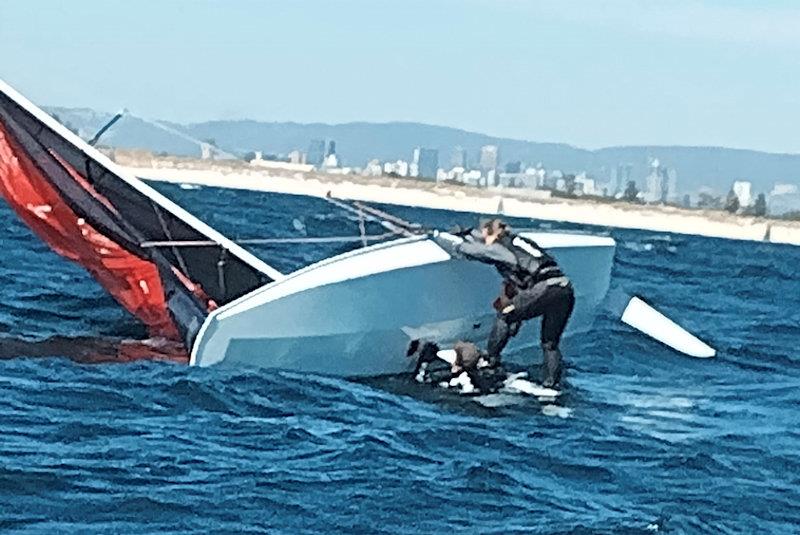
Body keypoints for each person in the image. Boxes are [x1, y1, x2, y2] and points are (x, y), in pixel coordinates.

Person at [434, 219, 574, 387]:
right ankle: (552, 384)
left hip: (545, 288)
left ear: (491, 233)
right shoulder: (520, 241)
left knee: (505, 314)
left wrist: (448, 243)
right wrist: (464, 232)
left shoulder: (502, 246)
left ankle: (490, 362)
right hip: (564, 288)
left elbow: (483, 251)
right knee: (550, 343)